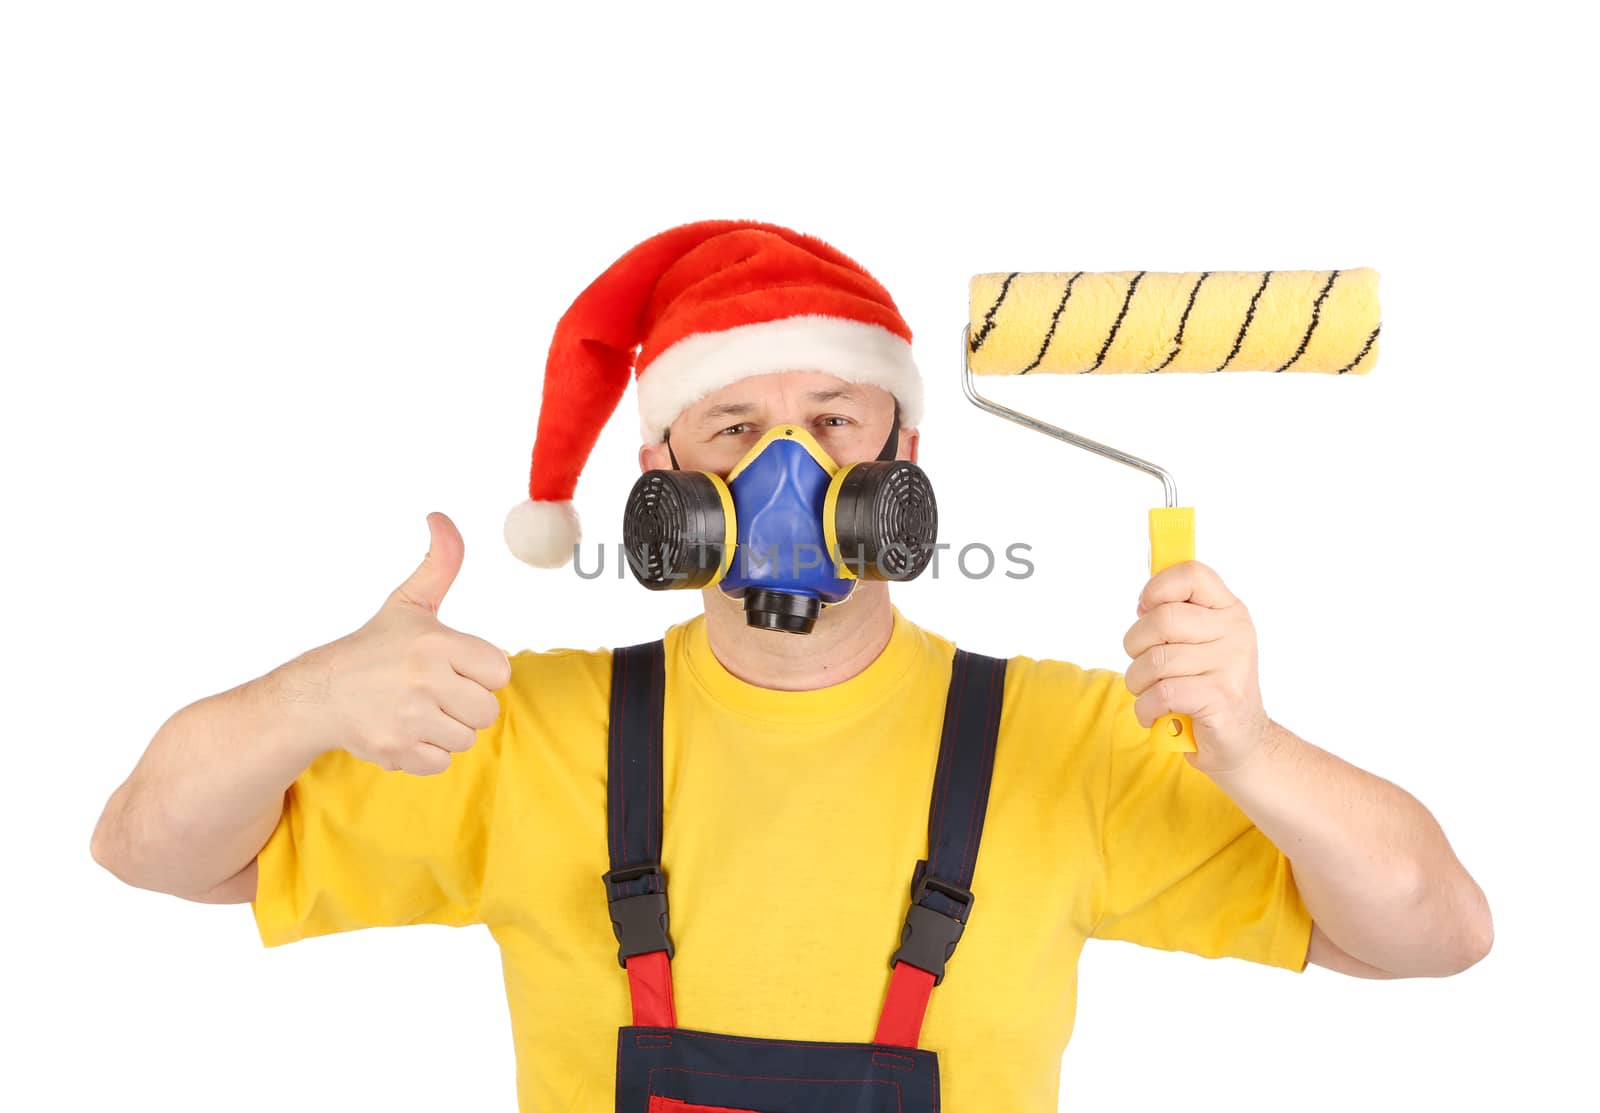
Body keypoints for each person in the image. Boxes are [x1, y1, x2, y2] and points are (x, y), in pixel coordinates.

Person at [91, 219, 1492, 1112]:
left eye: (831, 416)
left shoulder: (1055, 739)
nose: (786, 469)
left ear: (905, 464)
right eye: (731, 426)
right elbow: (149, 845)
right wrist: (307, 699)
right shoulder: (530, 733)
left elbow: (1435, 932)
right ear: (662, 481)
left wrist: (1249, 743)